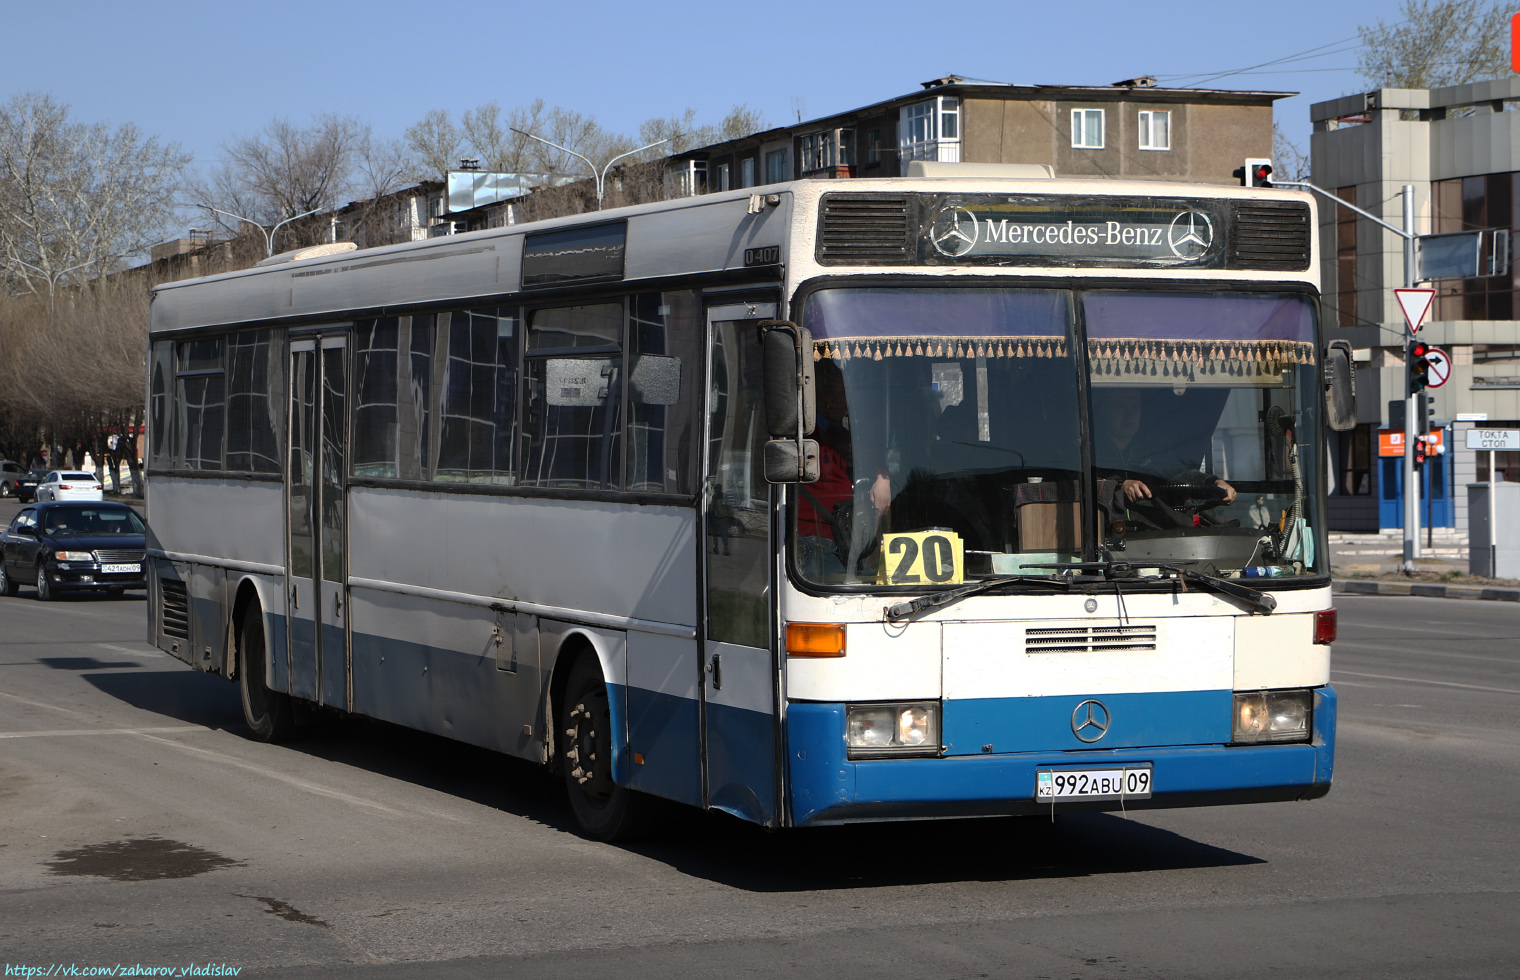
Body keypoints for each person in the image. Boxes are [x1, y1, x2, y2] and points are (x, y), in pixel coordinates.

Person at [796, 359, 891, 579]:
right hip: (813, 542)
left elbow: (870, 459)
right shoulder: (801, 436)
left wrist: (882, 477)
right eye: (830, 392)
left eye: (844, 392)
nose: (840, 400)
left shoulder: (845, 437)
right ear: (813, 394)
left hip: (845, 540)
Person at [1094, 388, 1236, 520]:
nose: (1129, 415)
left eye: (1134, 407)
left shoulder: (1151, 449)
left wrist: (1215, 483)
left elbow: (1179, 473)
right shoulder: (1090, 450)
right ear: (1103, 409)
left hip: (1152, 535)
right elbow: (1082, 484)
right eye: (1121, 407)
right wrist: (1119, 486)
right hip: (1105, 535)